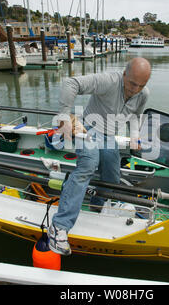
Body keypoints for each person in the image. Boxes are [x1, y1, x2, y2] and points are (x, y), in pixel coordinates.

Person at [48, 57, 152, 255]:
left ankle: (98, 207)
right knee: (89, 164)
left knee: (113, 174)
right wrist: (63, 117)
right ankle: (59, 226)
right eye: (132, 83)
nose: (135, 90)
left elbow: (136, 116)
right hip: (87, 127)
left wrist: (135, 135)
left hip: (109, 135)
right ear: (124, 74)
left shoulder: (143, 94)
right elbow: (71, 83)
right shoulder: (109, 81)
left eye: (141, 85)